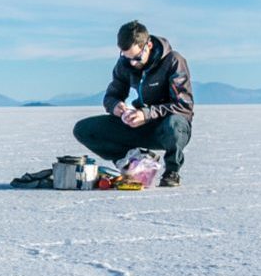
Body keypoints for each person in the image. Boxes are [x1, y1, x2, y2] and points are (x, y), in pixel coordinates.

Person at [73, 21, 194, 187]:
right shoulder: (125, 64)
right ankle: (133, 162)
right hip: (141, 125)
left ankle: (171, 172)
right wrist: (116, 107)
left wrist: (146, 114)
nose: (132, 63)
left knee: (174, 124)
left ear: (148, 45)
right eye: (126, 57)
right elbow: (112, 95)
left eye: (136, 58)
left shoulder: (173, 61)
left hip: (170, 129)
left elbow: (183, 106)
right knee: (84, 129)